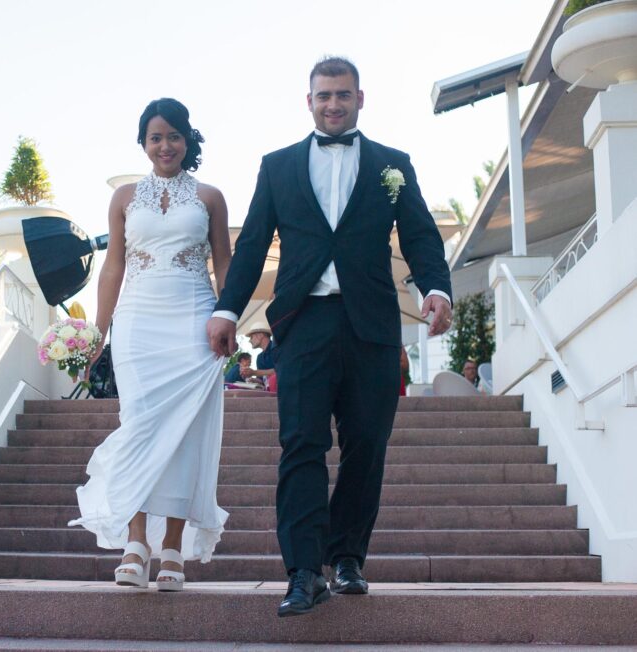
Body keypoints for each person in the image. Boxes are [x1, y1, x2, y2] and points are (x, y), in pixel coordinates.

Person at [206, 57, 454, 617]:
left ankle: (346, 558)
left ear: (361, 98)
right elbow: (250, 250)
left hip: (370, 325)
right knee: (302, 445)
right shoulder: (278, 167)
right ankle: (301, 571)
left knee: (367, 446)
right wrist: (226, 308)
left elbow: (419, 236)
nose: (333, 104)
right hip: (303, 323)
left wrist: (436, 288)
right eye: (324, 96)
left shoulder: (394, 165)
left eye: (343, 95)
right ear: (309, 101)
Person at [70, 98, 231, 592]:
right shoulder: (124, 197)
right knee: (139, 425)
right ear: (143, 143)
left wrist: (229, 320)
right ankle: (135, 542)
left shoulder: (210, 197)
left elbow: (225, 263)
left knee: (184, 433)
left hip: (193, 322)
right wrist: (97, 330)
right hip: (138, 323)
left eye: (174, 135)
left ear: (188, 140)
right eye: (155, 137)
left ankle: (172, 549)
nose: (165, 145)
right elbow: (113, 266)